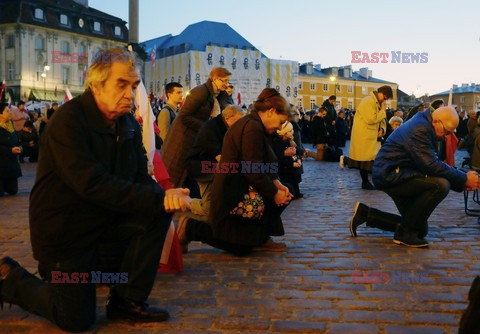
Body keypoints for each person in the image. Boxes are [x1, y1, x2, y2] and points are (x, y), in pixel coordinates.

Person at [0, 48, 193, 332]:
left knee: (156, 212)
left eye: (134, 85)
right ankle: (9, 278)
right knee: (75, 319)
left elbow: (139, 176)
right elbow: (93, 184)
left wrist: (166, 197)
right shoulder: (69, 120)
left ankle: (127, 301)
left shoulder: (126, 123)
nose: (130, 93)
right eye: (122, 84)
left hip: (104, 223)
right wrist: (158, 197)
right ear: (97, 84)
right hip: (66, 235)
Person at [177, 88, 293, 256]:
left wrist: (276, 183)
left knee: (288, 191)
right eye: (280, 121)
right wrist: (274, 192)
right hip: (233, 195)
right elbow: (252, 169)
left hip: (240, 189)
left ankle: (260, 237)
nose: (279, 127)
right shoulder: (252, 127)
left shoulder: (256, 125)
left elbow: (265, 162)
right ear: (271, 111)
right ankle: (191, 228)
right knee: (241, 247)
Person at [349, 107, 479, 248]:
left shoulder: (424, 124)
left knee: (419, 229)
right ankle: (404, 234)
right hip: (391, 175)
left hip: (398, 173)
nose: (447, 136)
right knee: (440, 185)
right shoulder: (420, 128)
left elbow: (431, 162)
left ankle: (366, 214)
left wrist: (462, 180)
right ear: (436, 121)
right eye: (447, 132)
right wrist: (464, 179)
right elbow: (431, 165)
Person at [161, 67, 231, 187]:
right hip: (182, 139)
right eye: (223, 81)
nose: (226, 84)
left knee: (182, 176)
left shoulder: (214, 93)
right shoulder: (200, 92)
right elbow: (184, 116)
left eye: (227, 81)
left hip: (190, 139)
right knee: (173, 176)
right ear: (213, 78)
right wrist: (205, 127)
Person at [185, 105, 244, 218]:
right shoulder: (211, 129)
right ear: (227, 118)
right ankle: (186, 202)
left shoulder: (227, 127)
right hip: (202, 167)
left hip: (215, 168)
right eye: (238, 121)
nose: (240, 125)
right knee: (208, 208)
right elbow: (220, 155)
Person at [347, 85, 392, 190]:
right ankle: (365, 182)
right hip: (365, 135)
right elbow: (371, 119)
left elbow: (382, 120)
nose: (385, 100)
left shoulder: (378, 102)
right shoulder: (368, 101)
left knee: (371, 159)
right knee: (365, 160)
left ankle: (368, 181)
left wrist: (382, 130)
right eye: (385, 97)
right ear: (381, 93)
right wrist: (383, 111)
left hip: (373, 136)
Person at [272, 121, 303, 199]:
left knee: (294, 178)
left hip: (290, 167)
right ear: (284, 133)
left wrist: (298, 159)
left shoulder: (289, 141)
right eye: (290, 130)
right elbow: (280, 158)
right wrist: (292, 164)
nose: (292, 132)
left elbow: (295, 153)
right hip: (284, 169)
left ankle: (296, 192)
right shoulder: (278, 142)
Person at [0, 103, 22, 196]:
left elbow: (18, 141)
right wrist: (9, 150)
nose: (10, 113)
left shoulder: (11, 125)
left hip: (11, 165)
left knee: (13, 191)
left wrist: (20, 148)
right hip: (1, 164)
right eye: (7, 111)